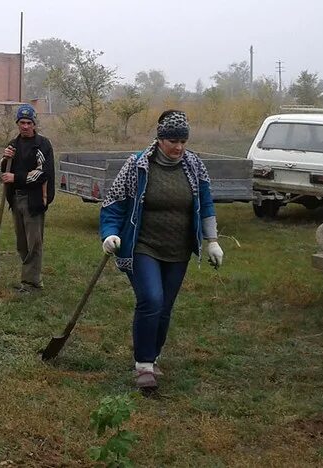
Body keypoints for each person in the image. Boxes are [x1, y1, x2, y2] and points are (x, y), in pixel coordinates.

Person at [99, 110, 224, 391]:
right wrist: (110, 234)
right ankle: (143, 365)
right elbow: (113, 204)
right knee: (151, 299)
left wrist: (212, 240)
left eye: (183, 140)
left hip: (178, 249)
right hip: (143, 245)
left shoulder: (194, 166)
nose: (178, 147)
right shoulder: (137, 165)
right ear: (160, 138)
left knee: (165, 306)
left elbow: (205, 202)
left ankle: (153, 356)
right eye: (172, 141)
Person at [0, 104, 55, 293]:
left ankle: (33, 283)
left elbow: (43, 173)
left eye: (28, 122)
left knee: (34, 243)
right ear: (17, 123)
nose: (25, 126)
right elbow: (5, 169)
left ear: (34, 124)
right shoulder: (13, 144)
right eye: (21, 122)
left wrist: (17, 177)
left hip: (34, 200)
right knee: (21, 243)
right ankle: (27, 279)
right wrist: (5, 159)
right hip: (16, 200)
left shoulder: (42, 145)